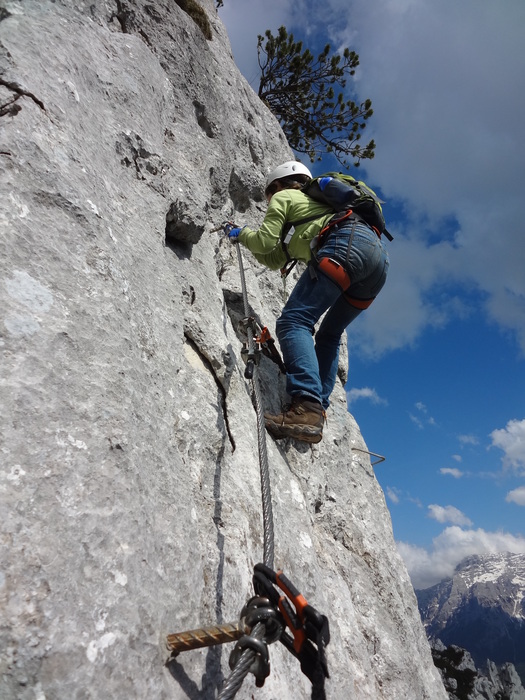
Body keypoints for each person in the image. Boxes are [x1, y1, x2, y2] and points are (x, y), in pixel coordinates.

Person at [224, 161, 389, 444]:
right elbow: (274, 257)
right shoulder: (314, 211)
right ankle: (317, 410)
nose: (270, 202)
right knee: (330, 334)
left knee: (293, 321)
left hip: (344, 243)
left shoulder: (287, 197)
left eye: (269, 196)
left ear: (278, 185)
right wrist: (250, 243)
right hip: (376, 263)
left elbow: (264, 242)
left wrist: (242, 234)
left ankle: (307, 405)